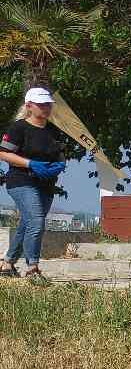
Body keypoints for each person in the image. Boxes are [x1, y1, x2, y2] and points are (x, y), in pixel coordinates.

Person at [0, 88, 68, 281]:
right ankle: (32, 268)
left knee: (27, 223)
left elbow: (60, 154)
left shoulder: (53, 131)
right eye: (41, 104)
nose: (46, 107)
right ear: (29, 106)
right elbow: (3, 153)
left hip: (46, 184)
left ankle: (7, 263)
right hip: (21, 181)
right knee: (37, 220)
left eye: (48, 104)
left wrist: (60, 165)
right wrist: (30, 163)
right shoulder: (18, 128)